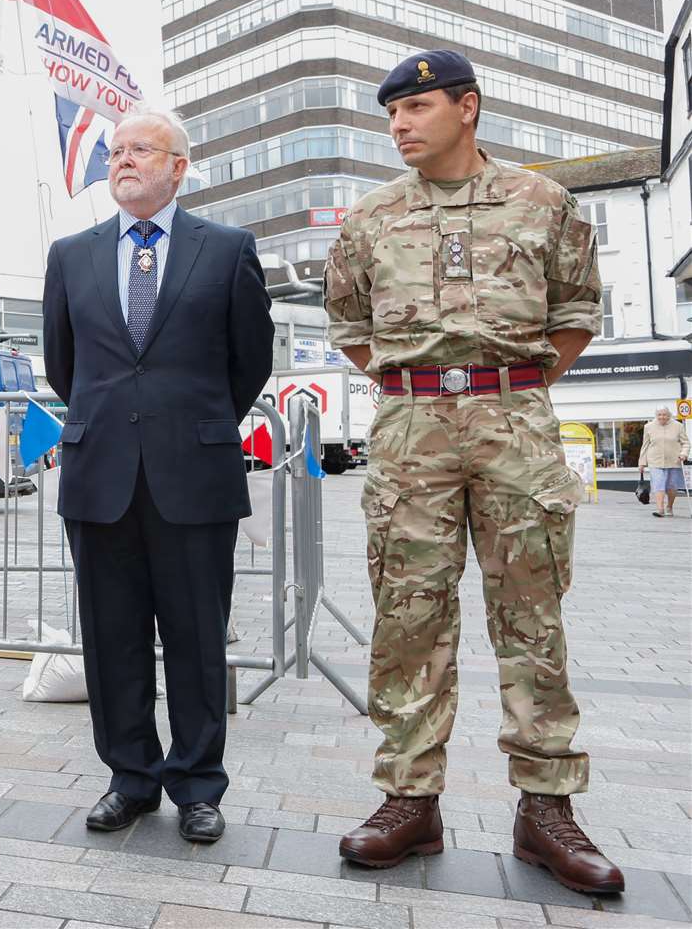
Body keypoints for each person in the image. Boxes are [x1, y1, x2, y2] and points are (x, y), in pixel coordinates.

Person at [324, 50, 622, 894]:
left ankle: (547, 809)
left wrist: (505, 388)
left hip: (515, 422)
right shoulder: (372, 218)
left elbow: (574, 313)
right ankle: (408, 800)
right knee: (407, 614)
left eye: (414, 109)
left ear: (468, 108)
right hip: (410, 425)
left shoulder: (543, 203)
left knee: (532, 614)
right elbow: (349, 323)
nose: (398, 126)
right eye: (390, 115)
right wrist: (422, 386)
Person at [41, 103, 273, 843]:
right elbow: (62, 365)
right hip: (100, 473)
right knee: (111, 638)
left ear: (179, 167)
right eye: (116, 152)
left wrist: (190, 422)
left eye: (142, 150)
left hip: (193, 474)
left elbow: (249, 362)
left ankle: (198, 784)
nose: (124, 161)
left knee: (198, 637)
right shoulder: (71, 255)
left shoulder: (228, 248)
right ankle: (130, 777)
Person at [640, 406, 689, 518]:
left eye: (664, 415)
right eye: (659, 415)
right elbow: (645, 445)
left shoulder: (678, 426)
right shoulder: (649, 427)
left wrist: (684, 454)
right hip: (655, 461)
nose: (662, 417)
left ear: (669, 415)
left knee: (672, 486)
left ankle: (669, 507)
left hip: (674, 460)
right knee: (658, 484)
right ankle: (660, 509)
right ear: (656, 415)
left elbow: (685, 443)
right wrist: (642, 462)